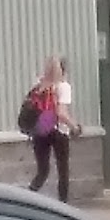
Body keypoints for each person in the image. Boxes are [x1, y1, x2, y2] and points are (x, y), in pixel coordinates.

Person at [24, 56, 78, 201]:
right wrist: (74, 126)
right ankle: (63, 205)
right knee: (63, 170)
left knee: (42, 171)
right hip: (58, 131)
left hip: (40, 131)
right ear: (64, 70)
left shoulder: (39, 85)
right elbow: (61, 113)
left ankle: (28, 198)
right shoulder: (63, 87)